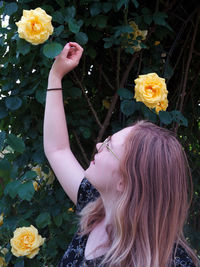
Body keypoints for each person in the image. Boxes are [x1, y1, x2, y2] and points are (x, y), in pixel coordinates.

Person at [43, 42, 199, 267]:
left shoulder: (172, 262)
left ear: (124, 182)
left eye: (108, 147)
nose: (97, 145)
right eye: (105, 140)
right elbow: (57, 150)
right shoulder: (97, 206)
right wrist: (55, 76)